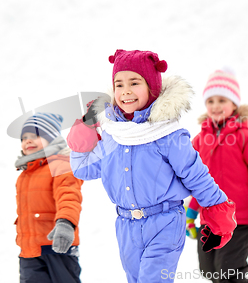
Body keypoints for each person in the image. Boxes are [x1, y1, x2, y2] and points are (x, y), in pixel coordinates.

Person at [66, 49, 237, 283]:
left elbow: (196, 176)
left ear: (152, 88)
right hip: (126, 225)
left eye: (134, 82)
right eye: (119, 84)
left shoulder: (168, 135)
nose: (125, 90)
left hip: (165, 222)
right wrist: (85, 129)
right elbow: (83, 169)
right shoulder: (113, 135)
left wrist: (218, 215)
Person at [185, 68, 248, 283]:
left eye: (222, 100)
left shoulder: (247, 138)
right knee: (209, 271)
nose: (215, 106)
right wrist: (189, 214)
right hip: (209, 219)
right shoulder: (199, 141)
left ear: (234, 104)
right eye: (211, 101)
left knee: (228, 271)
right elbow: (193, 181)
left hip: (240, 218)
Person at [14, 112, 83, 283]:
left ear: (51, 139)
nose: (27, 141)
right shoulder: (25, 174)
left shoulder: (60, 164)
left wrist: (65, 223)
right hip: (29, 250)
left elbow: (69, 196)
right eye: (24, 138)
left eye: (35, 135)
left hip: (58, 246)